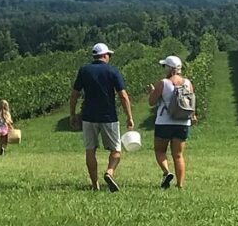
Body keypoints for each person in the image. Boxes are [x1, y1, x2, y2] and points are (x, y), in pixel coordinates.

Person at [69, 43, 135, 192]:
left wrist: (73, 114)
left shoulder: (84, 71)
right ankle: (109, 172)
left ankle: (95, 185)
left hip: (88, 117)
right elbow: (123, 96)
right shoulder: (112, 71)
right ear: (105, 55)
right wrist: (129, 116)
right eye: (109, 55)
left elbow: (74, 95)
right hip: (109, 116)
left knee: (90, 150)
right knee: (116, 150)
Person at [147, 55, 196, 190]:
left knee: (159, 150)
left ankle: (166, 172)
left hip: (164, 122)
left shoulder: (163, 83)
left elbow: (151, 102)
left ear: (169, 68)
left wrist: (152, 92)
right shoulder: (188, 83)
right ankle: (180, 184)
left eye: (164, 66)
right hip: (182, 122)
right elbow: (191, 102)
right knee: (178, 155)